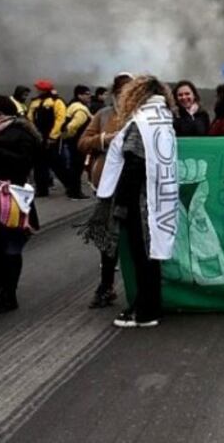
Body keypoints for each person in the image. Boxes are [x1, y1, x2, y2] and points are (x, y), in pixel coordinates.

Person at [93, 75, 178, 328]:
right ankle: (151, 307)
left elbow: (133, 165)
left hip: (140, 202)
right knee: (151, 257)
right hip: (159, 199)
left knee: (142, 257)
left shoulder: (140, 123)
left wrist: (120, 205)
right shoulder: (163, 118)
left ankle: (145, 311)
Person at [0, 95, 42, 312]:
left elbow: (24, 163)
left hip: (12, 199)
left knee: (11, 247)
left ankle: (8, 294)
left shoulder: (20, 134)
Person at [78, 72, 134, 308]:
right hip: (108, 184)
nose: (124, 95)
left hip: (135, 183)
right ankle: (106, 285)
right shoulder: (103, 115)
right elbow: (83, 142)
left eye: (128, 91)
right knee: (108, 236)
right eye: (120, 91)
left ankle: (142, 287)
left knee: (137, 236)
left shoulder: (142, 115)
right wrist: (104, 139)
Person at [27, 79, 69, 197]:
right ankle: (41, 190)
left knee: (57, 164)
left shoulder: (57, 102)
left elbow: (60, 120)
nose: (37, 90)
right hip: (38, 138)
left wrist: (53, 136)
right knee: (39, 166)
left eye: (39, 89)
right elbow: (30, 119)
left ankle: (71, 185)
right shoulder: (35, 102)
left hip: (51, 138)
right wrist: (33, 134)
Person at [61, 85, 93, 200]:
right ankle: (75, 192)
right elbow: (73, 126)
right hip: (77, 142)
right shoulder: (81, 110)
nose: (89, 96)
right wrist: (69, 136)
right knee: (77, 168)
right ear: (79, 95)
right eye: (87, 94)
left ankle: (72, 190)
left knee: (73, 166)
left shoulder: (72, 106)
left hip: (72, 142)